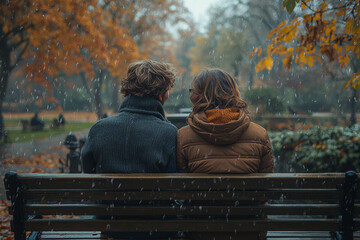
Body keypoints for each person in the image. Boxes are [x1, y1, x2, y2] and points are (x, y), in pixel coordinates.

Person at [82, 59, 178, 239]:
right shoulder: (169, 133)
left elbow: (89, 175)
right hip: (156, 227)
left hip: (110, 223)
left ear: (127, 91)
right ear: (160, 95)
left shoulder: (99, 129)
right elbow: (175, 186)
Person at [177, 68, 274, 240]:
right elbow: (266, 188)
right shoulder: (260, 134)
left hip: (200, 231)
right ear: (233, 92)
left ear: (199, 96)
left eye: (192, 90)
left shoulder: (184, 136)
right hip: (249, 231)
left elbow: (181, 188)